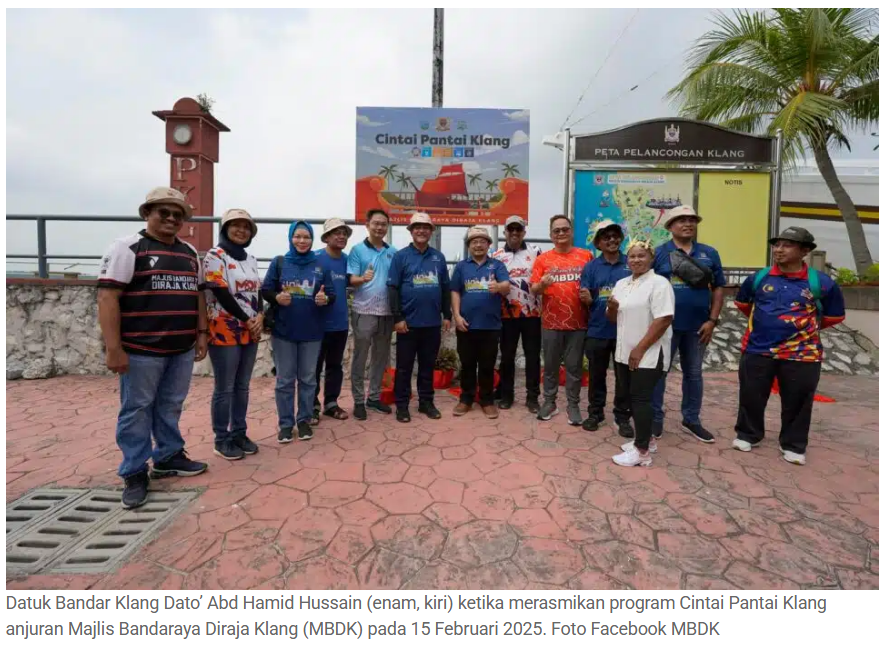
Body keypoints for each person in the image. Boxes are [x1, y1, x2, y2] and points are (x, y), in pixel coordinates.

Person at [97, 187, 209, 509]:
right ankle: (134, 471)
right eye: (164, 212)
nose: (171, 219)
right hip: (140, 350)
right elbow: (107, 298)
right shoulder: (127, 248)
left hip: (182, 348)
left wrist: (201, 333)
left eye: (178, 214)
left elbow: (198, 294)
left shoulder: (189, 252)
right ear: (147, 214)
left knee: (172, 404)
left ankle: (168, 455)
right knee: (136, 409)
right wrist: (113, 348)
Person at [732, 227, 845, 465]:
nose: (779, 250)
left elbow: (834, 316)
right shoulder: (759, 278)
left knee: (798, 400)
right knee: (751, 395)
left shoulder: (822, 283)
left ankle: (793, 445)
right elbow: (744, 304)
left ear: (804, 251)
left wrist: (801, 331)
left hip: (803, 354)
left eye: (787, 245)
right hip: (757, 349)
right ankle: (748, 434)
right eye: (777, 244)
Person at [652, 205, 725, 444]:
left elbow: (718, 288)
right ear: (670, 226)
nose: (687, 224)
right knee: (659, 373)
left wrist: (712, 320)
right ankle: (655, 419)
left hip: (698, 326)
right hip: (665, 326)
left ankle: (691, 419)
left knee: (693, 374)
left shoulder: (710, 253)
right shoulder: (659, 253)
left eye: (692, 220)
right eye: (681, 220)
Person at [261, 221, 336, 443]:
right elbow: (266, 289)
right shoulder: (280, 262)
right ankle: (285, 425)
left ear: (312, 240)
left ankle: (304, 420)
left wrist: (325, 299)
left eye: (306, 237)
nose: (302, 241)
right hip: (284, 331)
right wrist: (276, 298)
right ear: (291, 238)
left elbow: (332, 294)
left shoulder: (321, 265)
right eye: (298, 236)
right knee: (284, 381)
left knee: (308, 380)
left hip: (312, 333)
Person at [607, 241, 675, 468]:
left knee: (641, 399)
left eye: (641, 256)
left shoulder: (659, 284)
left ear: (651, 258)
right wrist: (613, 309)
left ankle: (642, 451)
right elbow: (612, 318)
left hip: (648, 353)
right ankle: (648, 439)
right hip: (623, 352)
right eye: (632, 256)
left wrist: (640, 349)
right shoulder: (622, 283)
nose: (636, 260)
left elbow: (664, 319)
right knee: (629, 396)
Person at [203, 209, 263, 461]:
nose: (241, 230)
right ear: (225, 228)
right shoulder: (214, 255)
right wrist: (246, 319)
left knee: (242, 386)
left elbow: (257, 290)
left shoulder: (250, 258)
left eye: (246, 227)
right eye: (235, 225)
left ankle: (239, 432)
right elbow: (220, 292)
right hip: (224, 327)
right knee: (225, 387)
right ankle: (221, 438)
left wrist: (260, 316)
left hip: (250, 329)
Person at [387, 212, 451, 423]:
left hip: (432, 323)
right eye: (417, 227)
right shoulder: (401, 256)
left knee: (427, 366)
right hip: (408, 324)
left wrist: (447, 314)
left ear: (431, 231)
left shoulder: (438, 257)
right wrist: (397, 318)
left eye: (425, 227)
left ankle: (426, 402)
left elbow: (444, 288)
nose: (421, 230)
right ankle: (402, 405)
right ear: (411, 231)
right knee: (404, 368)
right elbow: (393, 288)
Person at [529, 214, 593, 424]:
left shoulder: (585, 256)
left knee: (574, 367)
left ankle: (573, 406)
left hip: (578, 323)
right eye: (557, 230)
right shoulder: (543, 259)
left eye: (565, 229)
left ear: (571, 231)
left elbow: (593, 284)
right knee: (550, 366)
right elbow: (534, 290)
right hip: (551, 323)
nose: (561, 233)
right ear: (551, 235)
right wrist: (542, 285)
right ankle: (549, 402)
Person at [579, 220, 632, 436]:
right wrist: (587, 299)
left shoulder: (632, 264)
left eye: (615, 236)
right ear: (598, 243)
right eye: (606, 237)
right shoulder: (591, 267)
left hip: (626, 331)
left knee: (624, 378)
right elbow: (586, 298)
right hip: (598, 330)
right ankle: (595, 413)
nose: (611, 240)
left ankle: (622, 417)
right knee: (597, 376)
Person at [451, 226, 511, 419]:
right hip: (466, 325)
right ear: (469, 245)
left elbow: (507, 287)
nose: (478, 245)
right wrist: (457, 316)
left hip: (490, 325)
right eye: (474, 241)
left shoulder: (497, 265)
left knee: (487, 364)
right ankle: (466, 399)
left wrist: (499, 286)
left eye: (482, 241)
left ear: (488, 245)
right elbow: (455, 292)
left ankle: (487, 400)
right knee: (467, 364)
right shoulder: (461, 267)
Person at [348, 209, 397, 421]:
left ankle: (374, 397)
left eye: (383, 224)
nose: (379, 227)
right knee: (360, 357)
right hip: (363, 311)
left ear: (387, 226)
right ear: (367, 225)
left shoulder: (392, 251)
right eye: (375, 223)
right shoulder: (357, 250)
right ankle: (358, 400)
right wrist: (363, 278)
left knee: (380, 357)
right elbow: (351, 280)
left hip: (387, 313)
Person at [491, 215, 542, 413]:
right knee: (507, 357)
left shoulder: (536, 252)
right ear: (504, 232)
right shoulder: (496, 256)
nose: (514, 233)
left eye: (518, 230)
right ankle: (506, 395)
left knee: (533, 357)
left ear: (524, 232)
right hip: (506, 315)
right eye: (510, 229)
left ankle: (532, 397)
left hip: (532, 314)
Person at [313, 218, 353, 422]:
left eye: (344, 233)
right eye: (336, 233)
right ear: (326, 237)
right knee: (313, 367)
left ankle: (331, 404)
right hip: (317, 324)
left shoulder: (347, 261)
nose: (341, 236)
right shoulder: (315, 258)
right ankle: (311, 405)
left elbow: (356, 280)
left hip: (340, 323)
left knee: (334, 366)